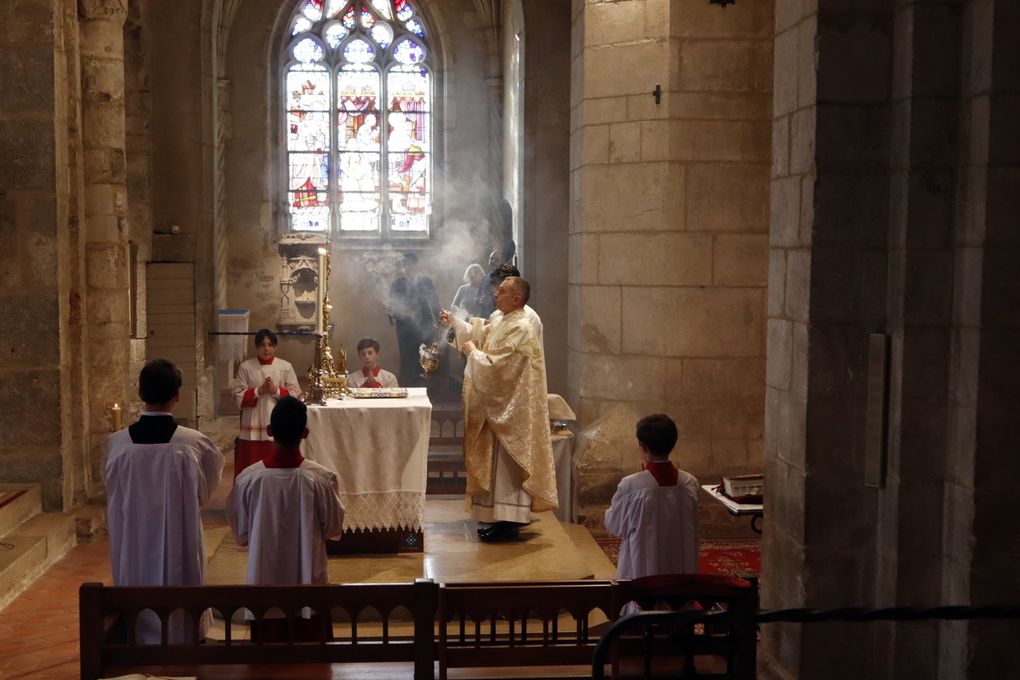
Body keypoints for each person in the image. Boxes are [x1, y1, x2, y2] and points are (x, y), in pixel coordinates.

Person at [104, 359, 224, 644]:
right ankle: (183, 637)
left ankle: (136, 636)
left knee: (135, 583)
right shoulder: (194, 444)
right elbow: (206, 492)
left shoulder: (117, 444)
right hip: (178, 540)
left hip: (132, 539)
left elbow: (112, 489)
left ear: (140, 393)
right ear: (177, 396)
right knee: (180, 584)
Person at [439, 276, 558, 542]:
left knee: (507, 469)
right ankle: (500, 518)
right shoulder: (505, 320)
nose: (495, 294)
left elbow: (502, 368)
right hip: (498, 406)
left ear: (517, 299)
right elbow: (481, 333)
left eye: (502, 291)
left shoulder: (523, 328)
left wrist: (473, 354)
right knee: (496, 468)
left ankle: (511, 520)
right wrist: (456, 323)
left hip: (512, 409)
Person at [227, 397, 344, 641]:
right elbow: (333, 528)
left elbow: (241, 533)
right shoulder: (321, 479)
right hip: (309, 579)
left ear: (269, 431)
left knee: (267, 661)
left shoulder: (248, 479)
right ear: (306, 433)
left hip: (265, 580)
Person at [603, 414, 700, 580]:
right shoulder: (690, 483)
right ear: (672, 443)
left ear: (643, 446)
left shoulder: (631, 485)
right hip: (681, 573)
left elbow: (614, 525)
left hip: (644, 576)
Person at [233, 328, 302, 476]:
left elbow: (296, 395)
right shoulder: (246, 367)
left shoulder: (285, 367)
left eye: (270, 344)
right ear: (256, 347)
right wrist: (259, 391)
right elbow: (238, 395)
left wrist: (276, 391)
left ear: (275, 347)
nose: (266, 348)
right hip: (253, 423)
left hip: (277, 423)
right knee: (250, 468)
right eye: (262, 345)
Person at [388, 251, 440, 387]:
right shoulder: (397, 283)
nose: (408, 266)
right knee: (406, 358)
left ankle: (425, 387)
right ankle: (407, 386)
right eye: (405, 263)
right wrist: (393, 315)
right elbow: (391, 303)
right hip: (405, 327)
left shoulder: (426, 282)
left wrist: (439, 320)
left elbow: (433, 302)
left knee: (424, 357)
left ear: (416, 265)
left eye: (410, 263)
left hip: (424, 325)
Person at [473, 250, 503, 318]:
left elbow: (507, 301)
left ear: (502, 263)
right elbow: (476, 298)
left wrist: (491, 299)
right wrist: (480, 300)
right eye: (491, 258)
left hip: (499, 318)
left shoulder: (506, 279)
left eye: (497, 260)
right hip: (484, 318)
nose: (493, 261)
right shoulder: (485, 278)